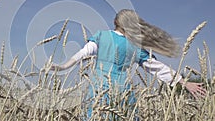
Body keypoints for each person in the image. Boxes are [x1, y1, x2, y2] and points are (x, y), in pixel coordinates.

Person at [51, 9, 206, 119]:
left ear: (115, 22)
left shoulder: (102, 36)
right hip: (124, 92)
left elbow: (82, 54)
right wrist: (183, 82)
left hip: (99, 90)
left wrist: (62, 67)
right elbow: (157, 68)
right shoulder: (135, 46)